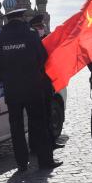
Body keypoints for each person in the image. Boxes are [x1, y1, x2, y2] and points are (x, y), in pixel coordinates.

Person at [0, 8, 62, 171]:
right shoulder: (30, 34)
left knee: (16, 128)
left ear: (8, 20)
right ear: (22, 17)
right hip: (33, 87)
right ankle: (45, 161)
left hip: (12, 90)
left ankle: (22, 163)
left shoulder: (0, 38)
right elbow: (42, 57)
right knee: (39, 124)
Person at [28, 14, 65, 151]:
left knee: (48, 115)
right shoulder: (32, 43)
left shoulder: (45, 40)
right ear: (33, 28)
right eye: (39, 27)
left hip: (47, 83)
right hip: (36, 84)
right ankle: (34, 146)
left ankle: (51, 141)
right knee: (35, 118)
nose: (42, 28)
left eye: (43, 26)